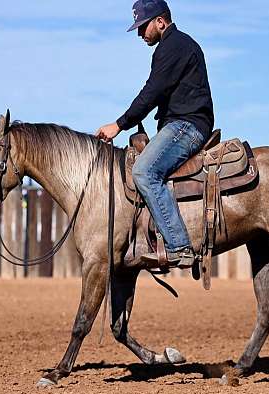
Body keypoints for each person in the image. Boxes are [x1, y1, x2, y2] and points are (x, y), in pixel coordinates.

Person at [96, 0, 214, 268]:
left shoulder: (173, 47)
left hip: (187, 125)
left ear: (161, 22)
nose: (140, 34)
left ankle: (179, 246)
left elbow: (152, 92)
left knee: (143, 171)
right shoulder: (178, 46)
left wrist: (120, 124)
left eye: (142, 27)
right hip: (181, 122)